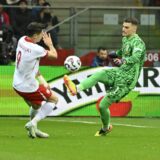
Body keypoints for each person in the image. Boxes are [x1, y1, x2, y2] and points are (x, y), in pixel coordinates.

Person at [63, 17, 146, 136]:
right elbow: (124, 52)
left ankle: (106, 128)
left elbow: (135, 57)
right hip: (120, 73)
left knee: (102, 106)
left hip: (128, 80)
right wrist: (116, 54)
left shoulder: (138, 43)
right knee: (99, 73)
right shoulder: (125, 39)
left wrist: (123, 61)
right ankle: (76, 88)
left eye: (126, 27)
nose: (123, 29)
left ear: (134, 29)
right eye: (123, 26)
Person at [13, 22, 58, 138]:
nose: (42, 37)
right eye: (40, 34)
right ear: (34, 36)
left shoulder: (21, 40)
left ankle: (33, 129)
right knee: (54, 99)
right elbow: (54, 56)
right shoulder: (36, 49)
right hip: (28, 86)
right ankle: (33, 123)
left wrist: (43, 81)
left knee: (36, 106)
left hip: (17, 84)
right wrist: (50, 44)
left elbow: (34, 67)